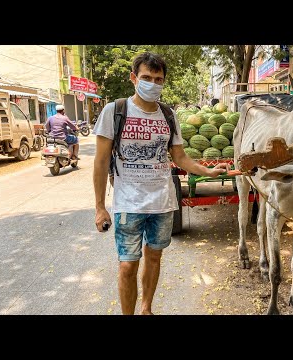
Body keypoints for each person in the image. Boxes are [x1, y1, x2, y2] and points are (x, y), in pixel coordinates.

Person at [92, 52, 230, 315]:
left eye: (158, 79)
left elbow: (179, 157)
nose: (152, 83)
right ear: (134, 78)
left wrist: (207, 172)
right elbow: (100, 163)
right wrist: (100, 207)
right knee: (127, 265)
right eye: (146, 77)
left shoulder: (168, 115)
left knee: (154, 257)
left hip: (162, 202)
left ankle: (146, 308)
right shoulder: (115, 111)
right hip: (128, 204)